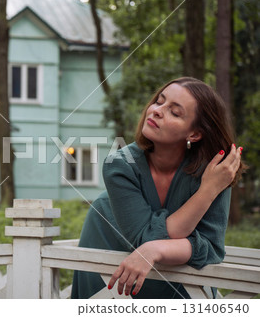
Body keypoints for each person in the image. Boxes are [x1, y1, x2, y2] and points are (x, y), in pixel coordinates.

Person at [71, 77, 246, 299]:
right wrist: (206, 193)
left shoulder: (215, 172)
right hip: (110, 251)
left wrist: (154, 250)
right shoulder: (120, 164)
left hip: (181, 278)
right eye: (159, 101)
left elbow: (211, 249)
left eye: (175, 112)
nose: (156, 111)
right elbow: (146, 237)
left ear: (194, 134)